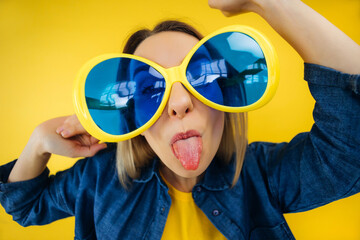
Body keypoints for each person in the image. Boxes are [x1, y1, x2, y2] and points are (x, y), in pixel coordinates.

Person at [1, 0, 359, 239]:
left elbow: (349, 154)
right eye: (148, 89)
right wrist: (37, 143)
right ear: (131, 117)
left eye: (201, 75)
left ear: (228, 97)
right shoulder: (100, 178)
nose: (179, 103)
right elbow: (24, 206)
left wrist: (268, 1)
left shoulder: (260, 175)